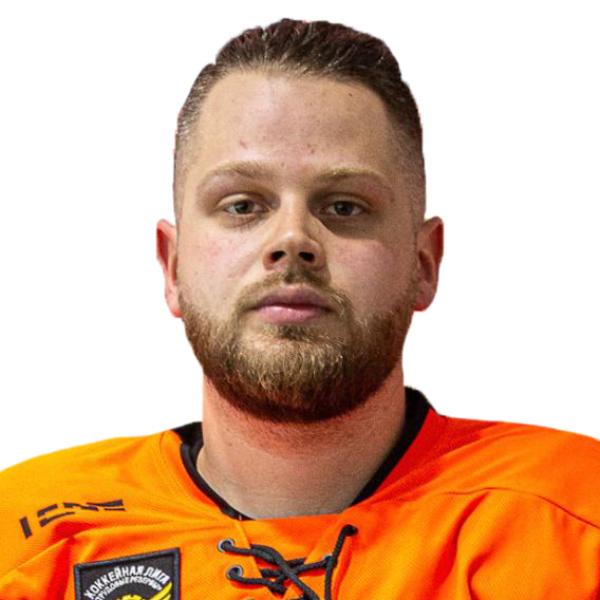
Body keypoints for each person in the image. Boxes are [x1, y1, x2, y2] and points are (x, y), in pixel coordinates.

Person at [1, 17, 599, 600]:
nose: (293, 239)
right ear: (173, 266)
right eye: (242, 205)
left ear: (423, 263)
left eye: (344, 206)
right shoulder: (24, 539)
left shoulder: (575, 519)